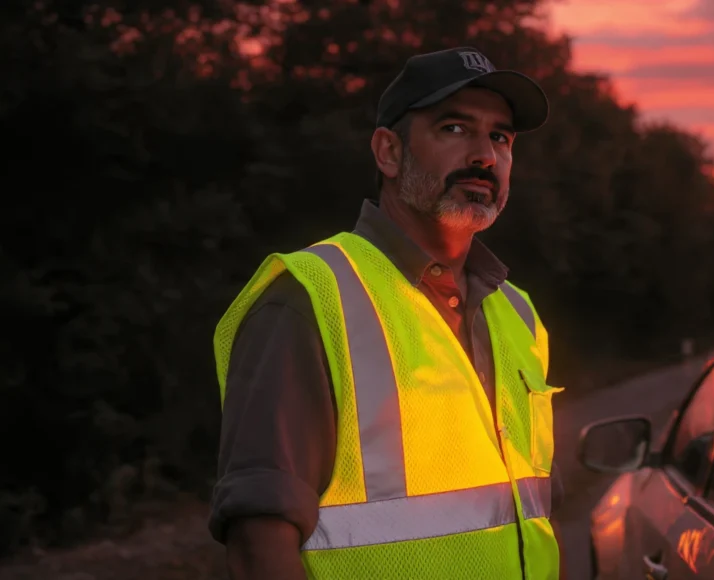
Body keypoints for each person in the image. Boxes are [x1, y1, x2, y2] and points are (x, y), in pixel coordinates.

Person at [208, 46, 564, 580]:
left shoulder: (518, 312)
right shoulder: (309, 297)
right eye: (453, 129)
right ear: (389, 152)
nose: (485, 156)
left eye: (500, 137)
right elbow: (259, 542)